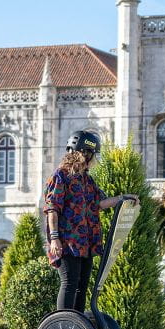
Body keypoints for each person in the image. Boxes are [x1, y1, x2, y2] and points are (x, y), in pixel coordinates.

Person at [43, 131, 138, 313]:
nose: (92, 159)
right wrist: (54, 238)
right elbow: (52, 209)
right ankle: (63, 325)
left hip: (85, 243)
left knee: (82, 286)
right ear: (83, 153)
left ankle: (78, 325)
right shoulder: (60, 176)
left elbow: (99, 204)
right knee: (69, 283)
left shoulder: (87, 180)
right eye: (90, 154)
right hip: (67, 242)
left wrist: (123, 198)